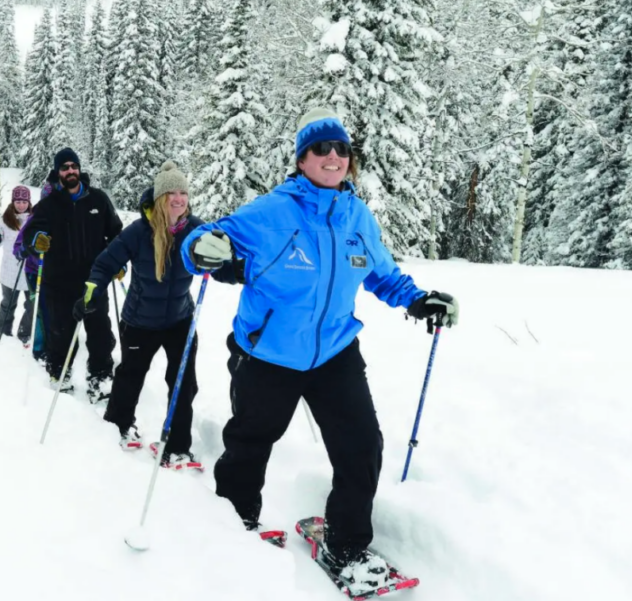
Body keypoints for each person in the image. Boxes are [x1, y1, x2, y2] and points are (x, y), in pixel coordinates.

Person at [181, 108, 459, 585]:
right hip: (268, 352)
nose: (333, 157)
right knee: (250, 443)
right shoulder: (272, 211)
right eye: (321, 149)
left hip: (334, 352)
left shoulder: (357, 217)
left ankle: (346, 543)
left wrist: (417, 300)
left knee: (361, 446)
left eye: (342, 150)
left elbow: (383, 276)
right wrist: (202, 247)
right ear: (302, 159)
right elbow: (205, 240)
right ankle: (234, 522)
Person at [75, 161, 241, 469]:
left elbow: (221, 265)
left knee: (183, 382)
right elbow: (105, 264)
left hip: (180, 319)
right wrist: (92, 288)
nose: (179, 199)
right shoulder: (138, 232)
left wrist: (237, 270)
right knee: (131, 376)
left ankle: (177, 446)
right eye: (171, 193)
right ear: (160, 197)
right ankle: (118, 425)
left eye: (183, 192)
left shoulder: (195, 230)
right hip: (140, 320)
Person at [21, 148, 123, 402]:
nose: (70, 171)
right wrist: (37, 240)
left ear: (79, 169)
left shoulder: (98, 200)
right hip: (59, 282)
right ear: (58, 172)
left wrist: (118, 261)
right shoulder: (47, 205)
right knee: (61, 333)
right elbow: (29, 236)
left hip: (94, 281)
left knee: (100, 331)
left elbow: (117, 234)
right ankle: (59, 374)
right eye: (64, 167)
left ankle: (100, 377)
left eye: (73, 166)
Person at [0, 186, 33, 343]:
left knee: (32, 306)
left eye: (24, 201)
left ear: (29, 202)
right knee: (8, 304)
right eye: (18, 202)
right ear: (13, 202)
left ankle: (24, 333)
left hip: (30, 271)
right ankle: (1, 329)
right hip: (9, 271)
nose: (21, 205)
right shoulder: (4, 221)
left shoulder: (35, 218)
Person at [14, 182, 53, 361]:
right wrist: (27, 249)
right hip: (34, 271)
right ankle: (39, 348)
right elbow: (18, 246)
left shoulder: (69, 216)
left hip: (58, 272)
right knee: (38, 309)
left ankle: (56, 344)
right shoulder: (35, 217)